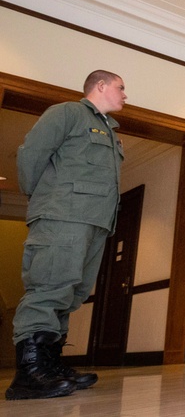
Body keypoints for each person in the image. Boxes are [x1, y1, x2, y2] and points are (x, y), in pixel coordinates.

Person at [7, 70, 126, 401]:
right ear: (100, 86)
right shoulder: (67, 113)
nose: (125, 94)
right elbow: (31, 155)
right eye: (121, 87)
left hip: (95, 222)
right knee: (49, 286)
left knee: (69, 293)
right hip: (64, 214)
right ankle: (28, 375)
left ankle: (50, 366)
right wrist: (46, 199)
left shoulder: (110, 131)